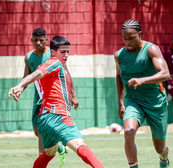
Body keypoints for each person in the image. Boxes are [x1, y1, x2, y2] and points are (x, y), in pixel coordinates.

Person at [8, 36, 104, 168]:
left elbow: (39, 73)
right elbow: (37, 73)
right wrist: (20, 85)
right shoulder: (54, 62)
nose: (66, 55)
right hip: (58, 116)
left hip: (44, 120)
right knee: (81, 146)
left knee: (49, 153)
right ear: (53, 52)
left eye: (68, 52)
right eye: (62, 51)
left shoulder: (57, 66)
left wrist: (73, 95)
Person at [114, 19, 170, 168]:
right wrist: (120, 103)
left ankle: (164, 159)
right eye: (124, 38)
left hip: (155, 102)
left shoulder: (151, 49)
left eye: (131, 38)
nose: (127, 42)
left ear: (140, 34)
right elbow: (119, 78)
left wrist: (142, 80)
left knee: (160, 149)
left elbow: (165, 74)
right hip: (134, 101)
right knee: (128, 132)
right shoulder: (119, 56)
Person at [22, 28, 78, 166]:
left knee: (43, 132)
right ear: (31, 41)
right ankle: (60, 149)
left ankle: (42, 161)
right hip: (38, 99)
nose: (39, 42)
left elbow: (67, 73)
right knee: (37, 131)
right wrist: (19, 88)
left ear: (46, 40)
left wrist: (74, 95)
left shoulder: (52, 54)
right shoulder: (28, 57)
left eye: (42, 40)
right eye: (36, 40)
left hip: (52, 99)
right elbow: (26, 77)